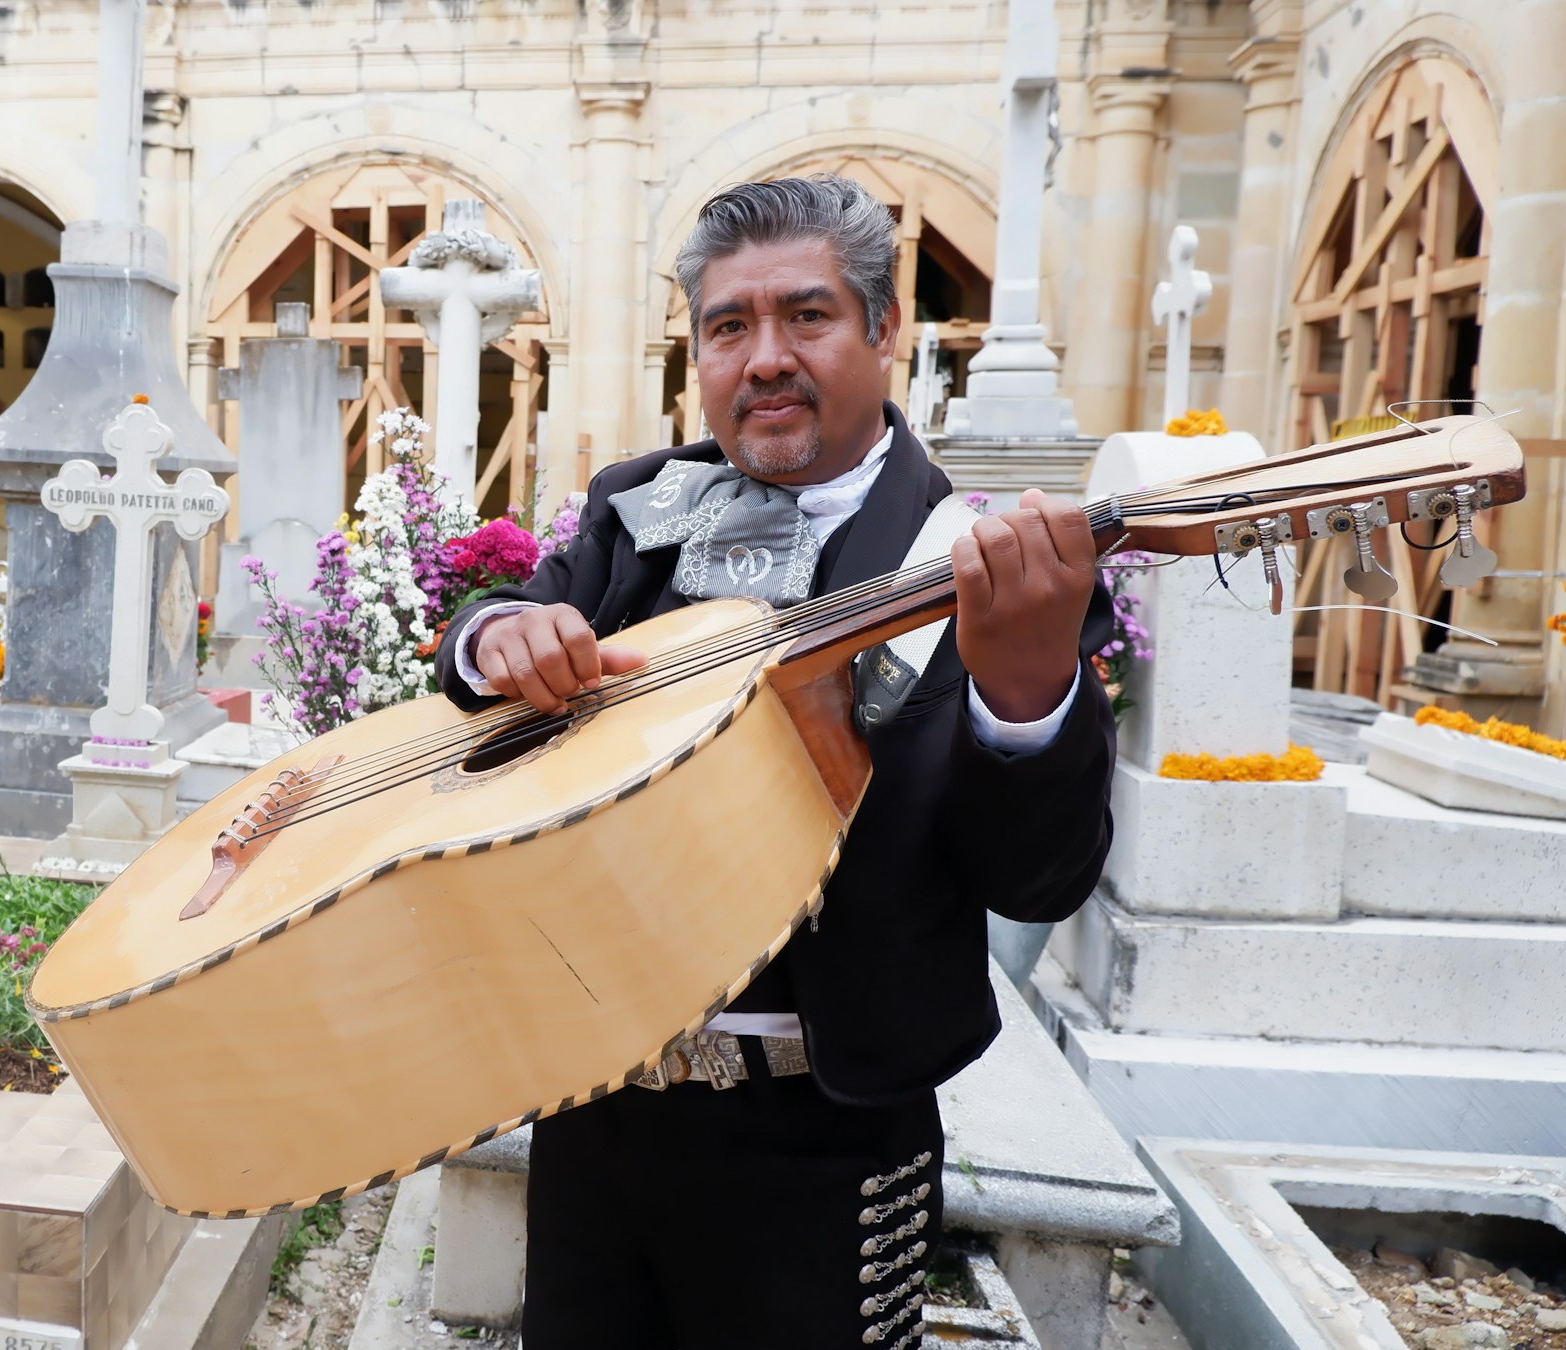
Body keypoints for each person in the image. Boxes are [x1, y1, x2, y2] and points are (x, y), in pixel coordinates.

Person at [432, 174, 1116, 1349]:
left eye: (807, 317)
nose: (764, 358)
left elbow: (1038, 882)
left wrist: (1023, 690)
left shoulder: (982, 562)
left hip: (828, 1134)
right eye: (727, 326)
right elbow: (483, 647)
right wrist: (498, 637)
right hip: (596, 1113)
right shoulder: (637, 508)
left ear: (885, 331)